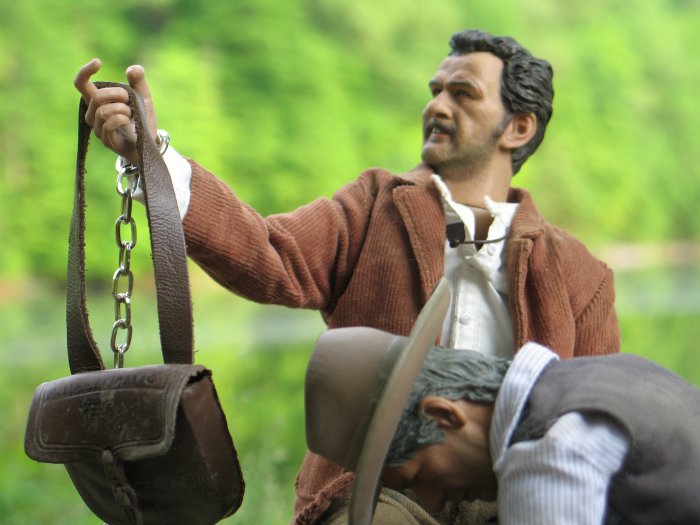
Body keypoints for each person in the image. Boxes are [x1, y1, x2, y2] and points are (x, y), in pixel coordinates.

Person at [73, 30, 620, 524]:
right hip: (380, 491)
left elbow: (602, 417)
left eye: (463, 93)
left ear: (519, 127)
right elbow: (271, 253)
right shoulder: (374, 205)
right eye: (435, 90)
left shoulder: (579, 273)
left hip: (520, 495)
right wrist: (151, 158)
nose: (436, 104)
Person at [306, 319, 700, 525]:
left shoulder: (546, 457)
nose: (431, 502)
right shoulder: (616, 372)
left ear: (443, 415)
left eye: (415, 476)